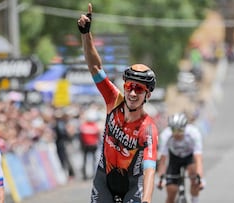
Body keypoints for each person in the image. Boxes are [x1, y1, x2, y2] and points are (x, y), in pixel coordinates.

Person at [77, 3, 159, 203]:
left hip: (133, 184)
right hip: (104, 179)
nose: (132, 93)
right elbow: (95, 66)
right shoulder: (113, 100)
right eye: (130, 86)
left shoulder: (148, 128)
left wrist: (147, 199)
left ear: (147, 95)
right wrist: (86, 34)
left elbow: (149, 169)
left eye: (139, 89)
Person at [156, 113, 205, 203]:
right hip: (174, 158)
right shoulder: (165, 135)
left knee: (194, 177)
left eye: (180, 130)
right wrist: (161, 178)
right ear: (170, 129)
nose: (177, 134)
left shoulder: (194, 133)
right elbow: (163, 160)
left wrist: (200, 178)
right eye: (174, 130)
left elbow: (198, 158)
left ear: (185, 128)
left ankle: (195, 200)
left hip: (189, 156)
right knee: (172, 191)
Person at [79, 109, 100, 180]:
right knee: (94, 160)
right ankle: (94, 174)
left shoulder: (83, 126)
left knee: (85, 160)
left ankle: (85, 175)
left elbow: (81, 137)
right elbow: (98, 136)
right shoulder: (95, 126)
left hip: (86, 145)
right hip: (93, 145)